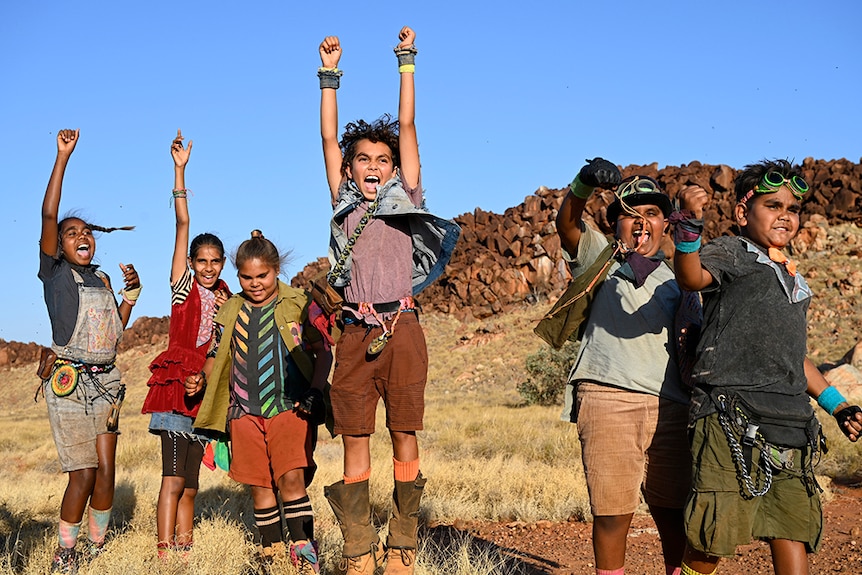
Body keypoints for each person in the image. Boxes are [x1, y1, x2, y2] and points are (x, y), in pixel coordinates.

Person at [672, 159, 862, 575]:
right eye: (772, 206)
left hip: (790, 423)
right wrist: (688, 227)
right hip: (728, 420)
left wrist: (838, 405)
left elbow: (794, 356)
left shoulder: (793, 279)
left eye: (792, 209)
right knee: (712, 536)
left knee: (791, 529)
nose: (785, 215)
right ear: (743, 213)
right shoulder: (731, 251)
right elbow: (690, 278)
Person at [318, 26, 460, 575]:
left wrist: (407, 62)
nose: (373, 165)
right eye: (363, 159)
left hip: (401, 329)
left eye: (383, 159)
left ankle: (402, 542)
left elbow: (407, 126)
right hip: (353, 334)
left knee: (404, 434)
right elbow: (328, 141)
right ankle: (358, 547)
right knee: (355, 440)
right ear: (350, 170)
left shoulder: (406, 199)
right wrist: (330, 76)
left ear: (395, 168)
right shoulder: (344, 203)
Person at [555, 158, 693, 575]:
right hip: (607, 397)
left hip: (671, 406)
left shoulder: (681, 277)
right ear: (614, 225)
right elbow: (568, 223)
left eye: (651, 214)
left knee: (674, 514)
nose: (640, 222)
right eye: (629, 215)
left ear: (666, 225)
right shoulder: (601, 259)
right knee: (613, 514)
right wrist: (583, 183)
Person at [190, 231, 332, 575]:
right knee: (259, 486)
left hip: (289, 406)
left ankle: (304, 555)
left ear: (277, 269)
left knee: (291, 481)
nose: (255, 284)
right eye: (247, 277)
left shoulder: (298, 303)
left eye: (263, 276)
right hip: (242, 412)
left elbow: (322, 350)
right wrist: (202, 378)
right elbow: (216, 354)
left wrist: (315, 391)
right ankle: (272, 554)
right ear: (237, 275)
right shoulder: (229, 310)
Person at [39, 129, 141, 574]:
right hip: (71, 385)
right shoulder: (56, 275)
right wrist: (63, 158)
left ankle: (97, 548)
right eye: (71, 233)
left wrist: (131, 296)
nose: (82, 236)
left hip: (107, 382)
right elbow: (48, 214)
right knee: (81, 473)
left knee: (106, 470)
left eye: (86, 232)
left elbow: (114, 332)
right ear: (58, 246)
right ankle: (66, 552)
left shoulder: (100, 279)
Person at [140, 130, 230, 560]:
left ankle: (186, 549)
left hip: (204, 391)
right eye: (202, 261)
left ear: (223, 263)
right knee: (172, 477)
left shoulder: (228, 296)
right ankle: (162, 552)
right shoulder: (182, 290)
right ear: (191, 264)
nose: (208, 268)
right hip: (175, 387)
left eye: (215, 261)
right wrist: (179, 171)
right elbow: (182, 224)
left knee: (192, 482)